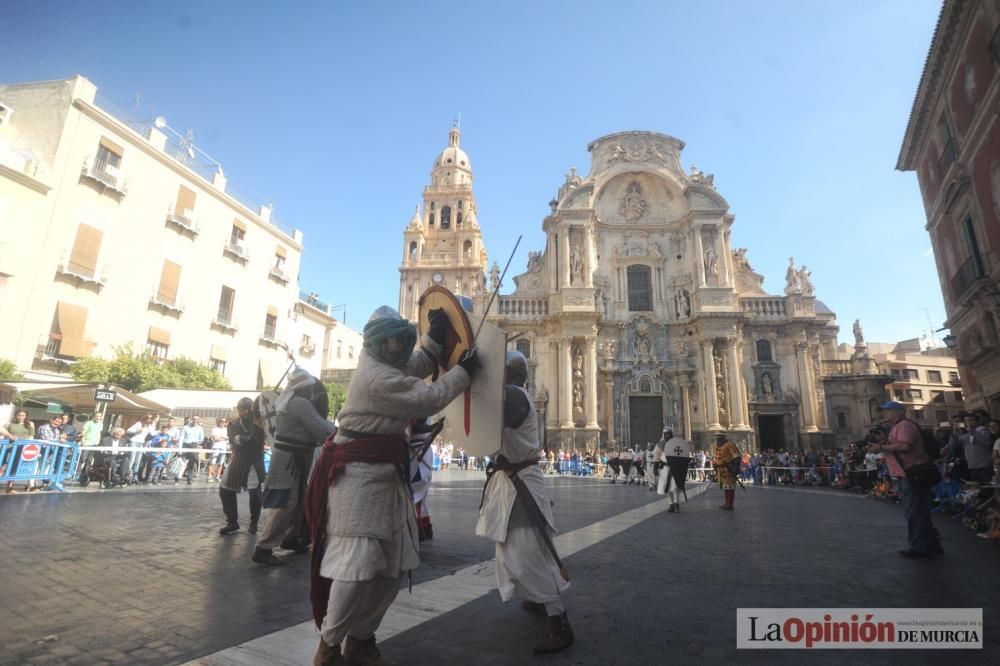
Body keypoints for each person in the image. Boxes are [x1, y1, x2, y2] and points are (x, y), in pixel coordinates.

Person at [307, 305, 475, 666]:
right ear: (379, 344)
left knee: (392, 568)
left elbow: (416, 365)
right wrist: (464, 372)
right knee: (356, 567)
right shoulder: (377, 379)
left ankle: (361, 641)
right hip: (359, 483)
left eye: (401, 341)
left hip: (385, 480)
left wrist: (434, 337)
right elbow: (428, 397)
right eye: (393, 342)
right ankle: (328, 647)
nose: (397, 347)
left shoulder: (384, 364)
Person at [476, 351, 573, 654]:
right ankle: (538, 595)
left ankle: (560, 621)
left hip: (520, 486)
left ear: (508, 375)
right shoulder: (513, 396)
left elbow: (491, 411)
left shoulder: (515, 397)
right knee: (532, 549)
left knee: (522, 553)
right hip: (513, 482)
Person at [253, 369, 335, 565]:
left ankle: (290, 538)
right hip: (290, 460)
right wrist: (344, 431)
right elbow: (320, 428)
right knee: (287, 502)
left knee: (298, 500)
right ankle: (263, 547)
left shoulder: (285, 401)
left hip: (291, 457)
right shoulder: (300, 403)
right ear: (304, 387)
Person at [867, 401, 943, 558]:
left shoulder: (904, 425)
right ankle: (931, 544)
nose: (884, 415)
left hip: (912, 473)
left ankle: (919, 547)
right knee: (919, 511)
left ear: (898, 412)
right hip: (907, 474)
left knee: (914, 511)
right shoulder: (896, 427)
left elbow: (905, 446)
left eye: (887, 411)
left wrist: (881, 447)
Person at [219, 397, 267, 535]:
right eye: (242, 410)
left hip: (254, 460)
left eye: (247, 409)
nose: (244, 413)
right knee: (225, 489)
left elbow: (264, 438)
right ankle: (232, 522)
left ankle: (253, 523)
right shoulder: (234, 424)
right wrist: (247, 438)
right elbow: (235, 439)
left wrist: (257, 433)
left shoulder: (260, 424)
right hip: (238, 459)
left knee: (255, 491)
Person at [3, 409, 35, 493]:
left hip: (21, 449)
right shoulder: (9, 424)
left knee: (14, 467)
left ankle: (9, 487)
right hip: (8, 448)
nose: (20, 417)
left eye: (23, 415)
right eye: (19, 415)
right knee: (3, 465)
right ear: (15, 415)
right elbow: (2, 433)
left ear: (26, 416)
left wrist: (29, 448)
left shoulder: (30, 424)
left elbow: (31, 437)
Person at [962, 411, 994, 485]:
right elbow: (956, 445)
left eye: (971, 420)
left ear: (977, 421)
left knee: (988, 487)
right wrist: (954, 432)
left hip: (984, 465)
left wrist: (973, 432)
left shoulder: (983, 429)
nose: (968, 422)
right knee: (978, 490)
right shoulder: (965, 433)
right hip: (972, 466)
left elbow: (987, 443)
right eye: (966, 421)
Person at [663, 434, 692, 512]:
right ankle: (671, 504)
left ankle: (676, 504)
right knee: (667, 488)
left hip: (675, 469)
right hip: (666, 469)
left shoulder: (676, 445)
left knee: (675, 487)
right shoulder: (663, 446)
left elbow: (684, 456)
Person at [713, 433, 740, 510]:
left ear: (722, 438)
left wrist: (735, 469)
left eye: (718, 437)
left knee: (730, 488)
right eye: (716, 438)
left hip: (728, 470)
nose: (717, 439)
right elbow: (718, 457)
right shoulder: (718, 446)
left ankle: (730, 504)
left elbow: (736, 457)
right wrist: (716, 464)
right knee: (726, 488)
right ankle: (727, 503)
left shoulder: (730, 445)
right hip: (721, 470)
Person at [180, 416, 205, 484]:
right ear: (191, 419)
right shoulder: (185, 427)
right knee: (182, 463)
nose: (195, 420)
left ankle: (189, 478)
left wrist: (197, 444)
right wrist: (180, 449)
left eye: (197, 419)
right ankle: (177, 477)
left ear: (198, 420)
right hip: (185, 445)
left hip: (194, 446)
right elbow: (181, 438)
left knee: (192, 463)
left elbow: (201, 439)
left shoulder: (200, 428)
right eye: (194, 419)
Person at [207, 417, 230, 483]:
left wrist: (220, 437)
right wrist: (224, 438)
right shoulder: (215, 429)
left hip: (223, 448)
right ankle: (209, 477)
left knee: (221, 463)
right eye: (221, 421)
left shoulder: (226, 430)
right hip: (215, 447)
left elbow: (229, 438)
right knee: (212, 462)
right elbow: (215, 439)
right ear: (218, 421)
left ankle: (217, 476)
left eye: (224, 421)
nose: (223, 422)